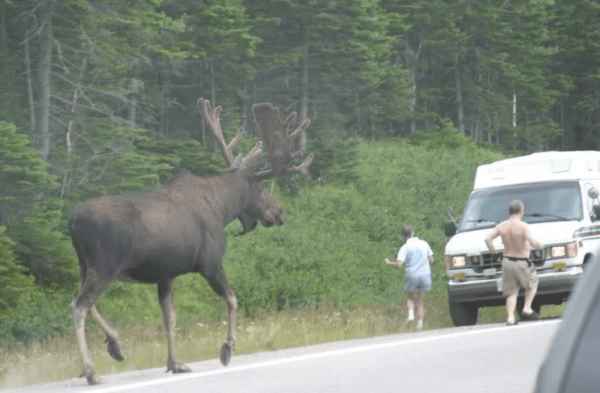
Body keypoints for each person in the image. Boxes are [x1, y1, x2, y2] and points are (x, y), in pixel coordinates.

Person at [485, 200, 543, 326]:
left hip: (506, 261)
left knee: (511, 292)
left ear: (510, 211)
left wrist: (495, 254)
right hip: (522, 261)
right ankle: (527, 308)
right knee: (532, 284)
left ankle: (510, 317)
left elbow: (488, 239)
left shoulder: (502, 226)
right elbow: (532, 242)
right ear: (521, 211)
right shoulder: (524, 226)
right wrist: (540, 246)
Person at [385, 225, 434, 331]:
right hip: (425, 274)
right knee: (420, 301)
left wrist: (389, 263)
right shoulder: (424, 243)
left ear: (404, 235)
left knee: (411, 298)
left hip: (412, 275)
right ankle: (419, 325)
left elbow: (399, 265)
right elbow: (431, 260)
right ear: (413, 233)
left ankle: (411, 315)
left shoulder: (405, 247)